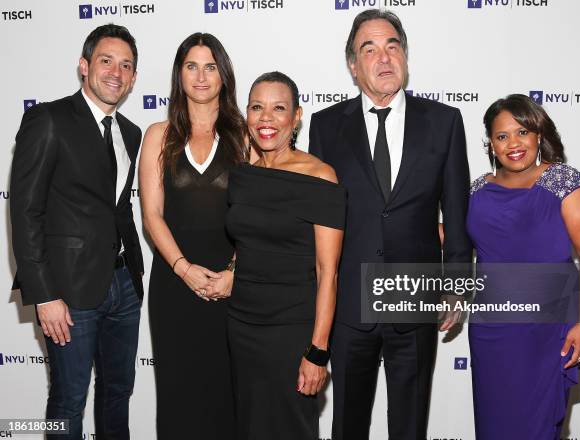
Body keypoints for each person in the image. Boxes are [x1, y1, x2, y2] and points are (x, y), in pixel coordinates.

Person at [308, 9, 473, 440]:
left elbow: (456, 214)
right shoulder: (326, 126)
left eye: (392, 47)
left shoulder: (444, 121)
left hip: (415, 303)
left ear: (405, 56)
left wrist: (456, 284)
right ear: (352, 65)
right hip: (348, 307)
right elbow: (319, 219)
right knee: (347, 425)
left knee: (410, 427)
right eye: (370, 49)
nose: (384, 58)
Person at [10, 24, 144, 439]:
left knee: (118, 391)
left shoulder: (132, 133)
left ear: (134, 78)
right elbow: (25, 212)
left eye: (126, 65)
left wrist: (133, 277)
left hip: (124, 283)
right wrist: (44, 294)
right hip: (67, 290)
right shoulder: (48, 119)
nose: (115, 73)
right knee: (68, 399)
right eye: (106, 61)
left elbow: (114, 209)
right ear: (84, 66)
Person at [467, 94, 580, 439]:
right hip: (490, 331)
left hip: (545, 330)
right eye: (502, 136)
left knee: (536, 424)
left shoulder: (564, 182)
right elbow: (451, 240)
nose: (513, 144)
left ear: (538, 136)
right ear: (490, 144)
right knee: (493, 424)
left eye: (522, 132)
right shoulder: (478, 189)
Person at [226, 71, 345, 439]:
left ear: (296, 117)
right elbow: (245, 242)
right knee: (249, 426)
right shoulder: (243, 174)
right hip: (241, 323)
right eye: (257, 107)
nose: (266, 118)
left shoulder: (320, 177)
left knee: (291, 427)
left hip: (292, 328)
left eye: (279, 109)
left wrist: (318, 351)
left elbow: (329, 273)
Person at [139, 33, 247, 439]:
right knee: (178, 394)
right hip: (174, 284)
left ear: (224, 74)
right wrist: (183, 269)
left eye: (210, 66)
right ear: (179, 74)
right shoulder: (158, 135)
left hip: (233, 286)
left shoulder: (246, 137)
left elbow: (257, 218)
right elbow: (152, 214)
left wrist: (235, 272)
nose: (201, 76)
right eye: (191, 66)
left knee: (229, 394)